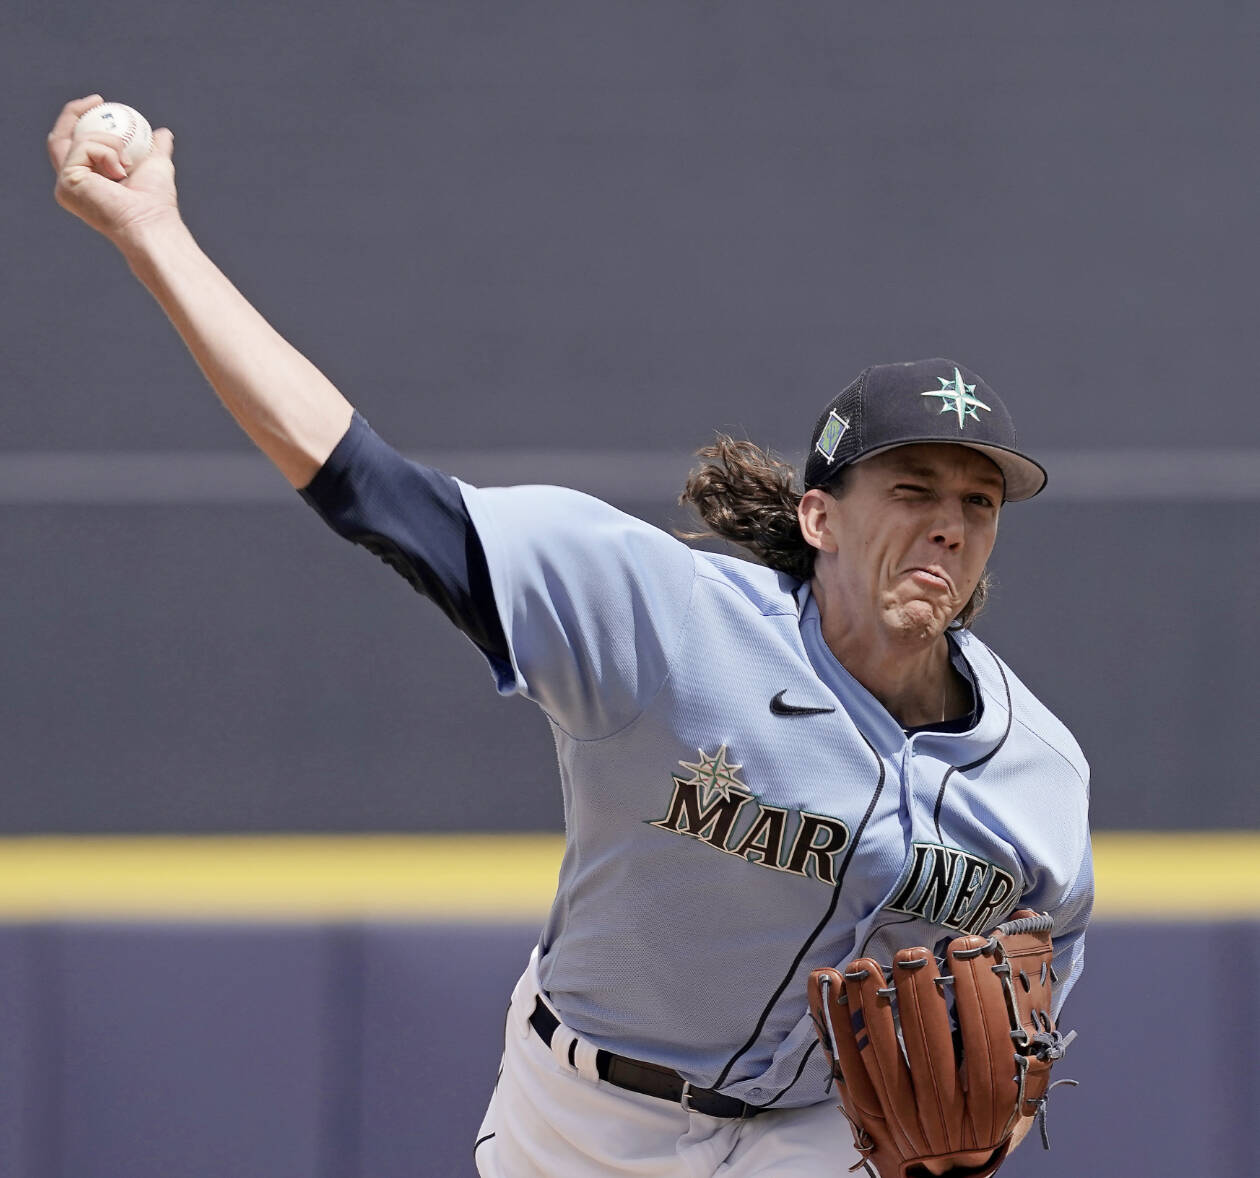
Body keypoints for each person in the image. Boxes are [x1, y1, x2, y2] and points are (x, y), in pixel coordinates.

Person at [48, 96, 1092, 1178]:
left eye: (979, 502)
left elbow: (1035, 1000)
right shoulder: (660, 618)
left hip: (815, 1140)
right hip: (585, 1119)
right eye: (913, 486)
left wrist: (982, 1136)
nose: (948, 523)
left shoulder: (1038, 773)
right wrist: (155, 237)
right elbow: (365, 483)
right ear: (820, 516)